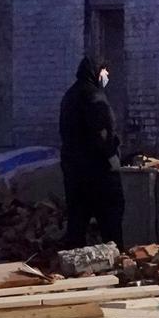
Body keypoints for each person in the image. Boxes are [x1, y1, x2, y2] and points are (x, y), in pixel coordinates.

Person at [58, 56, 125, 249]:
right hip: (98, 172)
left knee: (77, 221)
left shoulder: (70, 96)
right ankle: (115, 261)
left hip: (73, 171)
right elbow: (102, 133)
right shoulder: (94, 97)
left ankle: (71, 263)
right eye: (105, 71)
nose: (107, 75)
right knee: (111, 218)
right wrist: (112, 157)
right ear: (96, 71)